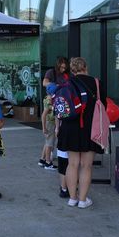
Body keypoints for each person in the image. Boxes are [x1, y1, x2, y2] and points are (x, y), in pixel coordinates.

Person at [57, 57, 106, 209]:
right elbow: (102, 106)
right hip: (90, 129)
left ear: (72, 70)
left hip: (70, 128)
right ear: (85, 67)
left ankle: (72, 198)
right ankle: (83, 200)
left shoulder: (66, 84)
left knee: (72, 164)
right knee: (86, 166)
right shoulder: (97, 83)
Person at [40, 85, 57, 171]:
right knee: (50, 143)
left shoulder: (47, 98)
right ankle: (48, 162)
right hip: (49, 123)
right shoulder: (49, 100)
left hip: (49, 122)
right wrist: (44, 128)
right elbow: (43, 115)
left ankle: (42, 160)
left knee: (47, 142)